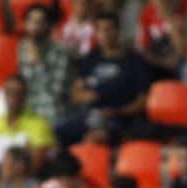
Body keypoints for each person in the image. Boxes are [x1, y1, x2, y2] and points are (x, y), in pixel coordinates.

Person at [60, 11, 152, 145]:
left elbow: (142, 101)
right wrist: (90, 96)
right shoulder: (90, 59)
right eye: (100, 30)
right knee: (56, 133)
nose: (105, 34)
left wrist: (118, 112)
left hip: (120, 119)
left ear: (118, 31)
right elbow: (76, 93)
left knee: (95, 138)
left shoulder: (134, 61)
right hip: (89, 115)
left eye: (109, 29)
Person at [0, 74, 56, 172]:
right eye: (10, 92)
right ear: (4, 94)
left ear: (25, 95)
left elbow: (36, 164)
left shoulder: (40, 125)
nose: (14, 96)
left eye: (19, 92)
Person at [18, 4, 71, 125]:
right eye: (31, 20)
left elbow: (55, 92)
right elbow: (24, 85)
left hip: (52, 111)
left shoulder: (60, 51)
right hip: (27, 110)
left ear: (49, 26)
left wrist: (38, 63)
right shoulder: (22, 48)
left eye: (40, 21)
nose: (35, 25)